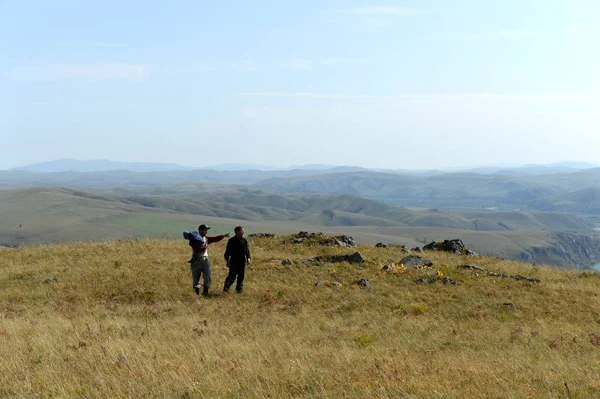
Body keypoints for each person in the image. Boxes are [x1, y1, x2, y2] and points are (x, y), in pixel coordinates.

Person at [183, 224, 229, 297]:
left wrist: (223, 236)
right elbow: (198, 249)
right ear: (200, 230)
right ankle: (197, 294)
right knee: (196, 278)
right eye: (205, 230)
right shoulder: (194, 240)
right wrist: (206, 246)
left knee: (207, 276)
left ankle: (205, 293)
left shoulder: (206, 239)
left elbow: (215, 239)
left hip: (205, 260)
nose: (206, 231)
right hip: (196, 260)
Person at [223, 226, 251, 293]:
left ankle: (239, 291)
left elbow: (247, 250)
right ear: (237, 232)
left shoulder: (244, 240)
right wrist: (227, 261)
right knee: (231, 277)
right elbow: (227, 252)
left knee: (241, 277)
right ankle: (225, 290)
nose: (243, 232)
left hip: (242, 261)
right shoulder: (231, 241)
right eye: (241, 231)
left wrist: (248, 258)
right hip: (234, 261)